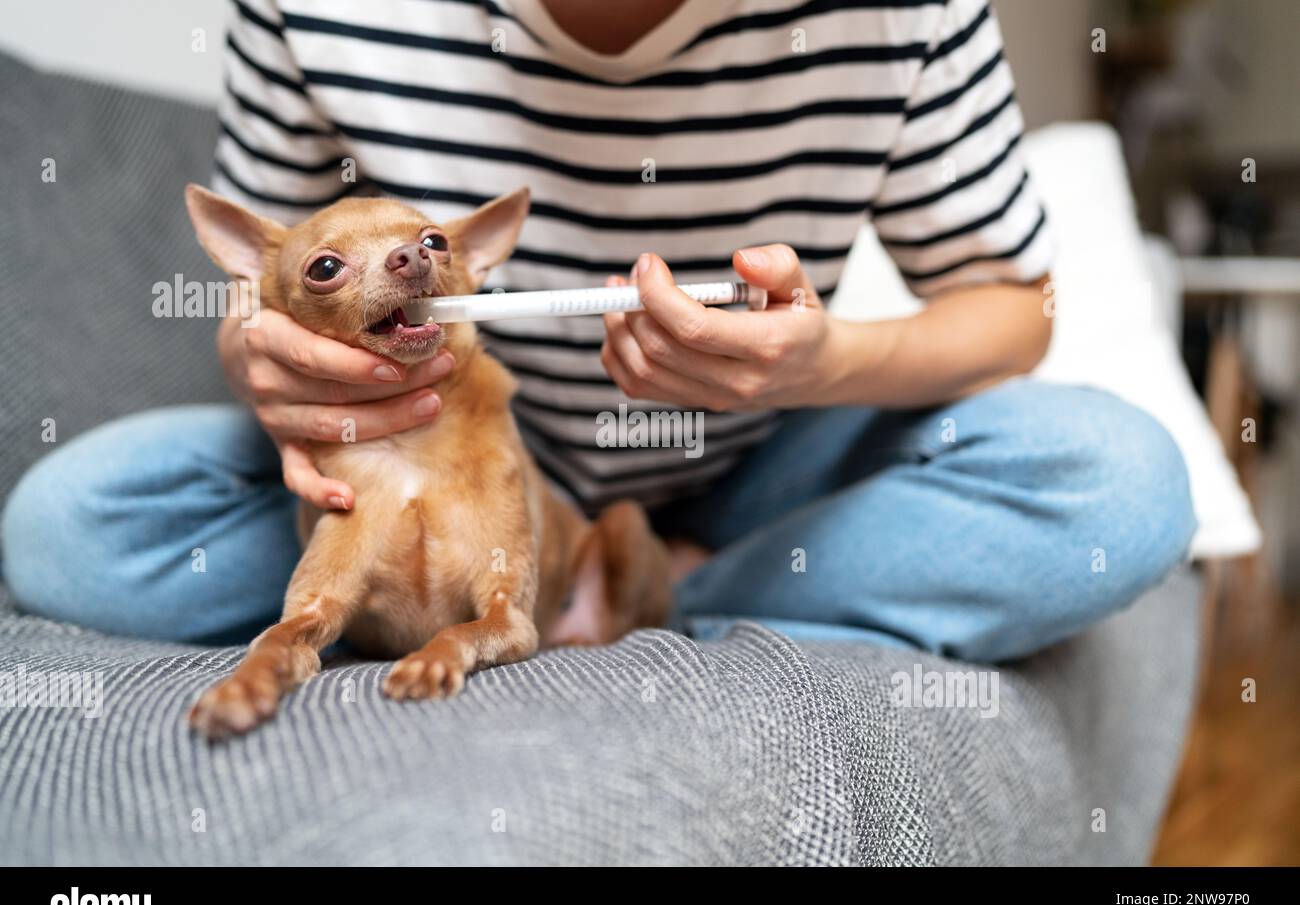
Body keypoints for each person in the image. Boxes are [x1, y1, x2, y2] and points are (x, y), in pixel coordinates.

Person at [1, 0, 1195, 659]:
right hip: (423, 460)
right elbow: (256, 294)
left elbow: (1016, 311)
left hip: (769, 471)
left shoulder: (904, 13)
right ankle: (538, 589)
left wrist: (827, 362)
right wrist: (265, 365)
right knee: (70, 528)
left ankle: (685, 586)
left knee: (1118, 484)